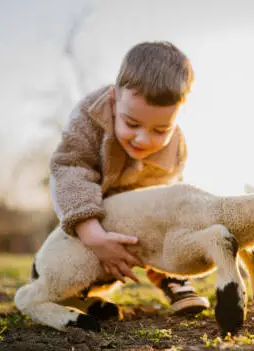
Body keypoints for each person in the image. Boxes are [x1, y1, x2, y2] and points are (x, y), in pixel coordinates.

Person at [49, 41, 209, 315]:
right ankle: (71, 289)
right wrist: (93, 235)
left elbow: (165, 199)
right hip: (91, 205)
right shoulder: (88, 117)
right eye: (132, 124)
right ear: (114, 99)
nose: (144, 139)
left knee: (166, 218)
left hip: (136, 210)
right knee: (77, 256)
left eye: (161, 130)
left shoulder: (176, 148)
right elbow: (70, 169)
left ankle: (173, 278)